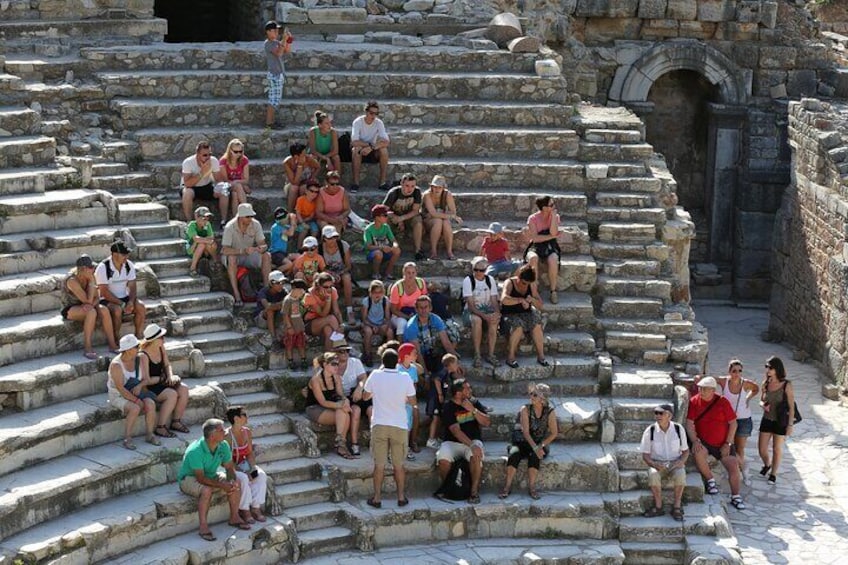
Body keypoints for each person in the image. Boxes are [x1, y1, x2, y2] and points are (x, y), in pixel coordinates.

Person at [177, 418, 252, 542]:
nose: (225, 432)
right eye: (221, 430)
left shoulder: (223, 445)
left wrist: (231, 480)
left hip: (210, 474)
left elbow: (229, 468)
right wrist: (222, 485)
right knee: (206, 490)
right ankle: (203, 526)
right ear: (212, 435)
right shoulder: (195, 451)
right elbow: (200, 478)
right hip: (189, 478)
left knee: (237, 481)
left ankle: (234, 517)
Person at [362, 348, 417, 508]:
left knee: (379, 465)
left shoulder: (375, 375)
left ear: (382, 362)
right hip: (399, 425)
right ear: (398, 362)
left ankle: (377, 498)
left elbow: (366, 396)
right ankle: (401, 497)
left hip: (379, 423)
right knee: (399, 465)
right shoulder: (405, 377)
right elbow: (413, 402)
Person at [685, 376, 746, 510]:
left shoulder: (723, 402)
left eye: (704, 389)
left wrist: (728, 444)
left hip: (723, 442)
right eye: (700, 388)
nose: (701, 391)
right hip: (705, 442)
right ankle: (710, 481)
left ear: (713, 390)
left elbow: (733, 424)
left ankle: (736, 496)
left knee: (733, 466)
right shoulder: (694, 401)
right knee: (698, 452)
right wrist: (695, 441)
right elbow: (689, 424)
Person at [700, 360, 759, 485]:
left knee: (740, 448)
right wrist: (699, 378)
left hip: (743, 420)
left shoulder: (745, 383)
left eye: (739, 371)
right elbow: (710, 379)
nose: (737, 373)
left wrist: (748, 398)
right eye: (734, 371)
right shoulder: (724, 381)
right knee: (729, 446)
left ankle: (744, 473)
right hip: (727, 420)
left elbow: (756, 389)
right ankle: (734, 468)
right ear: (729, 372)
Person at [500, 383, 558, 500]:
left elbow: (554, 433)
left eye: (535, 394)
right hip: (521, 441)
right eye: (531, 393)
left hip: (538, 442)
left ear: (543, 398)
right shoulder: (525, 409)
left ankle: (532, 487)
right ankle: (507, 486)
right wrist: (536, 448)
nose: (531, 396)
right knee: (514, 453)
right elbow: (525, 432)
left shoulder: (550, 412)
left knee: (534, 456)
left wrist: (540, 446)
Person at [436, 379, 490, 504]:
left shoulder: (474, 402)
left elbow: (487, 422)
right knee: (442, 457)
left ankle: (474, 492)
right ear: (458, 393)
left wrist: (473, 410)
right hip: (452, 442)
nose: (470, 390)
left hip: (473, 439)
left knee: (476, 455)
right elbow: (456, 431)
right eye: (467, 388)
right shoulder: (448, 407)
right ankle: (449, 487)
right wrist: (471, 445)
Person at [106, 334, 158, 450]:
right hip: (118, 395)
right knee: (135, 408)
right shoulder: (116, 365)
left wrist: (140, 386)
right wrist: (136, 400)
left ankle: (150, 434)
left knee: (150, 403)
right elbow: (120, 389)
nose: (139, 348)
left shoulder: (140, 359)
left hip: (136, 390)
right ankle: (127, 438)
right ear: (128, 350)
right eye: (136, 347)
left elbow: (146, 379)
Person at [139, 323, 191, 438]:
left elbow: (167, 365)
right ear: (153, 340)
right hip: (150, 387)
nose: (164, 340)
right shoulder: (143, 355)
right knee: (172, 394)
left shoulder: (161, 347)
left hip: (162, 381)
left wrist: (171, 376)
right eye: (161, 338)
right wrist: (162, 379)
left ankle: (176, 421)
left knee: (184, 389)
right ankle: (160, 427)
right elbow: (146, 380)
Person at [62, 253, 118, 358]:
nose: (94, 269)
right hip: (71, 308)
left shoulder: (90, 276)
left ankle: (112, 344)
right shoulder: (72, 280)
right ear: (83, 269)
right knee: (91, 312)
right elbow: (86, 300)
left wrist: (91, 304)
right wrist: (92, 281)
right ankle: (87, 347)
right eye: (91, 267)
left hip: (88, 305)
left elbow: (97, 298)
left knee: (104, 310)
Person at [639, 402, 688, 521]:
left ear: (669, 416)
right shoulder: (650, 430)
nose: (657, 416)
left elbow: (686, 451)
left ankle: (676, 506)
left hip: (675, 462)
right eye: (656, 413)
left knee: (681, 474)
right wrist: (654, 464)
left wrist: (681, 462)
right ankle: (658, 506)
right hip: (657, 463)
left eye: (661, 413)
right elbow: (645, 455)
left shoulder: (678, 428)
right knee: (653, 474)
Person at [304, 352, 354, 459]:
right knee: (344, 413)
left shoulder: (336, 377)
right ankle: (341, 445)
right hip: (315, 408)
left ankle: (340, 443)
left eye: (337, 363)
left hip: (330, 406)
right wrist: (341, 405)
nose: (337, 366)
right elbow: (322, 402)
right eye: (334, 364)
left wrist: (345, 401)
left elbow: (341, 395)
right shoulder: (316, 380)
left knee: (344, 412)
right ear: (325, 365)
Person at [222, 203, 272, 307]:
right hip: (234, 254)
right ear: (240, 216)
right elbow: (225, 250)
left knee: (266, 256)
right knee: (231, 258)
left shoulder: (256, 224)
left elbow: (263, 244)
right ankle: (237, 294)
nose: (250, 218)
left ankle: (267, 290)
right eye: (248, 216)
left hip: (248, 254)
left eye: (252, 216)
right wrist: (242, 251)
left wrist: (261, 248)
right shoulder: (229, 227)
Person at [224, 406, 269, 524]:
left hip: (244, 464)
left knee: (260, 475)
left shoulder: (247, 432)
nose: (247, 417)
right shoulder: (226, 436)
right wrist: (244, 472)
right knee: (243, 478)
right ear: (236, 418)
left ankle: (255, 507)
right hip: (229, 467)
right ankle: (244, 510)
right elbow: (227, 460)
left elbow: (249, 453)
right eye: (244, 414)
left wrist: (252, 468)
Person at [95, 240, 146, 341]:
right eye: (124, 254)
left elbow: (132, 287)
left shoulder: (129, 265)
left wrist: (130, 302)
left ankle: (139, 336)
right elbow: (104, 292)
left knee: (140, 306)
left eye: (127, 254)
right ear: (114, 254)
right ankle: (116, 338)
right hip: (106, 299)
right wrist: (122, 305)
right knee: (117, 310)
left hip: (124, 298)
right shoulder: (103, 267)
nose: (126, 256)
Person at [500, 264, 547, 368]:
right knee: (518, 326)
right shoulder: (510, 283)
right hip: (509, 314)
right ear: (518, 277)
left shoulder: (531, 285)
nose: (525, 285)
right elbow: (504, 299)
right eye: (523, 283)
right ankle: (511, 357)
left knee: (537, 324)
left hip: (526, 313)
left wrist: (532, 300)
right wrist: (520, 300)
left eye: (527, 284)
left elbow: (540, 305)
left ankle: (541, 356)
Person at [758, 356, 795, 486]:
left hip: (780, 421)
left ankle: (773, 474)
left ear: (777, 369)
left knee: (776, 448)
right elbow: (761, 399)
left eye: (770, 367)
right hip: (767, 419)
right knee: (761, 449)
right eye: (766, 367)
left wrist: (790, 425)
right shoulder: (765, 383)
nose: (767, 370)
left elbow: (791, 406)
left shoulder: (786, 385)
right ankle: (767, 464)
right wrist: (762, 405)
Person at [403, 295, 459, 377]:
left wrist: (456, 363)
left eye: (426, 307)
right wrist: (425, 373)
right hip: (416, 357)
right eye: (421, 308)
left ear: (430, 308)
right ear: (416, 309)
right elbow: (417, 353)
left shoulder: (436, 319)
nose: (424, 310)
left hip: (431, 352)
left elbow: (446, 343)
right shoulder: (411, 326)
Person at [462, 257, 501, 368]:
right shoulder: (468, 281)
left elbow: (494, 300)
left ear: (486, 270)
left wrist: (497, 313)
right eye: (476, 269)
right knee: (477, 320)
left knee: (494, 321)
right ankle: (477, 354)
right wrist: (485, 316)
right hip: (471, 311)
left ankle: (491, 354)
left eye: (481, 270)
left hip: (487, 310)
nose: (478, 272)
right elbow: (471, 305)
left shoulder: (490, 280)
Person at [334, 335, 369, 457]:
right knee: (355, 410)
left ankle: (373, 442)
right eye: (341, 351)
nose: (345, 354)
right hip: (340, 396)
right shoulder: (331, 365)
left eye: (347, 351)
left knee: (367, 410)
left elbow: (363, 378)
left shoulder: (355, 362)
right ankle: (354, 443)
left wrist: (359, 388)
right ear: (335, 353)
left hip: (355, 394)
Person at [180, 141, 228, 225]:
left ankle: (223, 221)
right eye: (205, 155)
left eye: (209, 154)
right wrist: (202, 173)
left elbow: (218, 179)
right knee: (187, 192)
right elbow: (187, 183)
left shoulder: (213, 161)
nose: (208, 157)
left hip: (206, 186)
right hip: (191, 187)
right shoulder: (188, 162)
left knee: (224, 190)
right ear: (197, 154)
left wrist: (218, 188)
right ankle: (189, 222)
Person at [525, 195, 561, 304]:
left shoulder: (555, 216)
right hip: (536, 246)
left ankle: (553, 291)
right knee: (533, 258)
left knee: (553, 259)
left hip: (550, 245)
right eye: (551, 205)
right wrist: (551, 236)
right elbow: (535, 239)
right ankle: (534, 291)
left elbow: (554, 232)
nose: (554, 207)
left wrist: (554, 217)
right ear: (544, 207)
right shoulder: (532, 219)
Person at [350, 100, 390, 193]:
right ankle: (355, 183)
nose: (373, 116)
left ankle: (382, 182)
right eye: (371, 113)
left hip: (372, 150)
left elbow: (387, 141)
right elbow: (354, 142)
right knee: (356, 149)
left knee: (384, 150)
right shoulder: (358, 122)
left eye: (376, 114)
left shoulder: (378, 123)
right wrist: (369, 145)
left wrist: (371, 147)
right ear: (366, 112)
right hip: (360, 148)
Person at [383, 173, 425, 261]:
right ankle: (386, 247)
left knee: (418, 220)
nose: (410, 189)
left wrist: (401, 218)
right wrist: (397, 218)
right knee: (384, 219)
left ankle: (418, 250)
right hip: (394, 217)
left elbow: (415, 211)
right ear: (401, 183)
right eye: (407, 185)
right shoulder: (393, 193)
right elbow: (383, 210)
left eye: (412, 186)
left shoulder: (417, 192)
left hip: (407, 217)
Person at [425, 353, 463, 449]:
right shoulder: (443, 371)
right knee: (435, 417)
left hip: (439, 398)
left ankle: (435, 437)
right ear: (450, 364)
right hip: (435, 398)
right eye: (456, 363)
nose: (457, 365)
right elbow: (437, 380)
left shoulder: (449, 374)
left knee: (439, 417)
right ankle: (431, 439)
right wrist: (440, 394)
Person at [319, 224, 354, 323]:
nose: (333, 240)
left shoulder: (343, 245)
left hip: (342, 272)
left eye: (334, 237)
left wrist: (339, 273)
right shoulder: (319, 249)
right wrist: (331, 275)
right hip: (327, 274)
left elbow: (348, 266)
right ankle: (330, 311)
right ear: (324, 238)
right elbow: (321, 267)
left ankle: (349, 310)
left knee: (347, 278)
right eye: (330, 238)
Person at [422, 175, 461, 260]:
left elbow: (453, 211)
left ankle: (449, 252)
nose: (436, 189)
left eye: (439, 187)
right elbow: (432, 213)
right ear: (431, 187)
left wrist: (441, 214)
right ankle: (433, 251)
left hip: (440, 218)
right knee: (438, 221)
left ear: (443, 188)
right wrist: (449, 215)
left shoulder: (447, 194)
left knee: (445, 222)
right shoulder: (427, 195)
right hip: (427, 220)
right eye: (434, 187)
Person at [263, 20, 292, 130]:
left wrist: (288, 40)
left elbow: (287, 51)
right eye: (275, 30)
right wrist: (284, 39)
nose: (277, 32)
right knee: (273, 100)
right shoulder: (268, 44)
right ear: (268, 32)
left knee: (276, 100)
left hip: (279, 74)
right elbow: (279, 53)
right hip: (274, 75)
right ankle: (269, 122)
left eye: (278, 30)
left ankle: (272, 121)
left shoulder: (276, 42)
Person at [303, 272, 343, 350]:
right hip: (310, 323)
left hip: (327, 321)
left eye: (331, 286)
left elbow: (337, 311)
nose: (328, 289)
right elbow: (322, 314)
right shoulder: (309, 295)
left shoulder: (333, 291)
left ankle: (328, 357)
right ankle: (342, 345)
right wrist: (328, 300)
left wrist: (341, 325)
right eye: (325, 287)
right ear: (319, 286)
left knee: (328, 331)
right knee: (331, 318)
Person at [361, 279, 393, 367]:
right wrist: (372, 325)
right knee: (368, 332)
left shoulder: (385, 301)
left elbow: (387, 317)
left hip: (380, 323)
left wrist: (385, 325)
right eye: (375, 292)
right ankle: (367, 355)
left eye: (380, 292)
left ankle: (389, 356)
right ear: (370, 293)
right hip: (369, 323)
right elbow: (364, 319)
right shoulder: (366, 301)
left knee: (389, 332)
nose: (377, 295)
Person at [364, 204, 401, 280]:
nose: (387, 217)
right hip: (373, 253)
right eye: (385, 215)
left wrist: (395, 245)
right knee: (378, 253)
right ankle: (376, 274)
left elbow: (394, 240)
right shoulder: (368, 230)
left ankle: (388, 273)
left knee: (397, 250)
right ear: (377, 217)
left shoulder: (386, 227)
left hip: (385, 251)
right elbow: (368, 246)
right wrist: (381, 247)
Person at [397, 343, 421, 457]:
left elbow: (414, 385)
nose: (417, 355)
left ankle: (409, 443)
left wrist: (412, 399)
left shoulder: (413, 369)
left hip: (410, 401)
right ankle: (404, 447)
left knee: (410, 422)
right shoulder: (397, 369)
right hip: (399, 402)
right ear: (406, 356)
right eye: (414, 353)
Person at [285, 143, 321, 212]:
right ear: (296, 156)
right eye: (303, 154)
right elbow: (294, 182)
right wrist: (300, 166)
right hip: (292, 183)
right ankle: (290, 212)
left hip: (306, 181)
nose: (306, 155)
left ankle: (304, 211)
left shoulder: (309, 159)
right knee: (294, 188)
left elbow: (318, 167)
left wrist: (312, 177)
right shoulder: (287, 162)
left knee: (304, 188)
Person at [218, 138, 251, 216]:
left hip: (237, 187)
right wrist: (238, 183)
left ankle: (235, 219)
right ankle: (247, 212)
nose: (238, 154)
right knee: (238, 187)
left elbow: (246, 179)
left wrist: (237, 182)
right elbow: (225, 180)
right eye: (236, 152)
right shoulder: (223, 161)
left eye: (240, 151)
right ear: (230, 151)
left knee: (235, 194)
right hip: (226, 186)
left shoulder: (244, 160)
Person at [282, 278, 308, 370]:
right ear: (296, 289)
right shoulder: (287, 300)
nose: (303, 292)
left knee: (301, 344)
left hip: (299, 327)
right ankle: (290, 361)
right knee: (289, 345)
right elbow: (285, 315)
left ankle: (304, 360)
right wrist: (289, 327)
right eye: (302, 290)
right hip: (291, 328)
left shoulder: (298, 300)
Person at [185, 206, 218, 277]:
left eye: (207, 218)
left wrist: (204, 240)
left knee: (211, 244)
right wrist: (206, 240)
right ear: (197, 217)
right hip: (192, 249)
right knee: (202, 244)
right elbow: (196, 239)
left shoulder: (207, 224)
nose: (206, 220)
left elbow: (211, 237)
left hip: (204, 249)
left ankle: (215, 261)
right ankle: (192, 268)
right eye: (204, 218)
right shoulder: (192, 225)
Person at [255, 270, 288, 342]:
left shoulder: (284, 291)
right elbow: (267, 306)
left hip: (276, 318)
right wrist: (281, 304)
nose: (281, 285)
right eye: (278, 283)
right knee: (270, 310)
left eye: (283, 283)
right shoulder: (263, 292)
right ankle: (273, 338)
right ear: (271, 283)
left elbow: (289, 303)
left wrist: (279, 305)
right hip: (262, 320)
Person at [308, 110, 341, 174]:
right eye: (326, 123)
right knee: (313, 157)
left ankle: (337, 180)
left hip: (329, 153)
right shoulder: (313, 131)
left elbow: (335, 151)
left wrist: (326, 157)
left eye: (330, 123)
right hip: (317, 154)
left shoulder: (333, 132)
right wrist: (326, 159)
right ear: (320, 125)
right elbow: (313, 150)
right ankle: (311, 180)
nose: (330, 125)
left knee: (336, 157)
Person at [294, 179, 321, 249]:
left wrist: (307, 221)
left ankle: (312, 247)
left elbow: (312, 215)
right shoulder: (300, 199)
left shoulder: (315, 202)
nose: (314, 194)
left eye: (316, 192)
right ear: (306, 191)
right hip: (300, 220)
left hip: (310, 220)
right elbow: (298, 213)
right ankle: (299, 248)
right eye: (311, 191)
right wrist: (302, 222)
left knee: (315, 230)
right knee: (304, 230)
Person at [269, 206, 296, 276]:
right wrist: (292, 221)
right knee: (289, 264)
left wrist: (293, 218)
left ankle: (286, 276)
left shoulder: (285, 226)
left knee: (298, 257)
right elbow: (290, 233)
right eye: (280, 219)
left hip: (283, 253)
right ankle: (274, 274)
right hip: (275, 253)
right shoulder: (276, 227)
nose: (282, 221)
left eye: (284, 218)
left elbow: (294, 228)